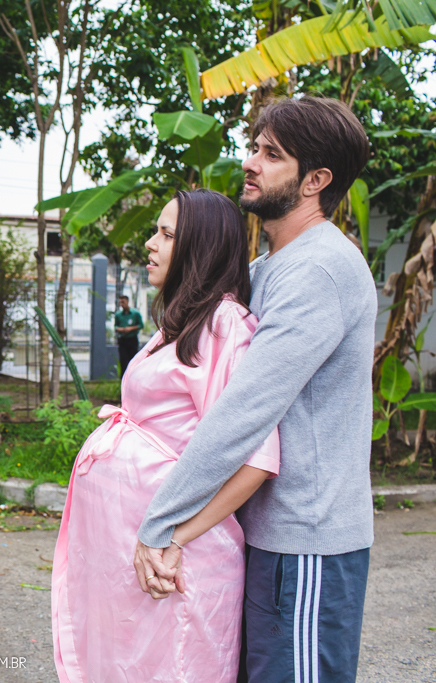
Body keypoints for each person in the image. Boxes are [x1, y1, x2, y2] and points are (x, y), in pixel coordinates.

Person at [134, 95, 376, 683]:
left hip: (306, 542)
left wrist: (162, 521)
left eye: (271, 155)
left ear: (316, 181)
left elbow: (244, 410)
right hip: (262, 537)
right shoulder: (268, 269)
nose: (250, 162)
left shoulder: (319, 269)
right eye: (254, 147)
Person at [52, 189, 280, 683]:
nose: (151, 244)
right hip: (139, 550)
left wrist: (174, 536)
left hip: (179, 559)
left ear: (200, 247)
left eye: (167, 234)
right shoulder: (178, 324)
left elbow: (256, 461)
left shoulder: (225, 325)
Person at [114, 295, 143, 376]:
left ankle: (133, 377)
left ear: (127, 301)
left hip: (132, 340)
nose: (121, 304)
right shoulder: (118, 315)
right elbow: (115, 327)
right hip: (122, 340)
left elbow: (141, 325)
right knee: (123, 360)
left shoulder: (135, 313)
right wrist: (121, 329)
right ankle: (123, 379)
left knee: (133, 360)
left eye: (123, 302)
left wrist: (130, 329)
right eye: (120, 302)